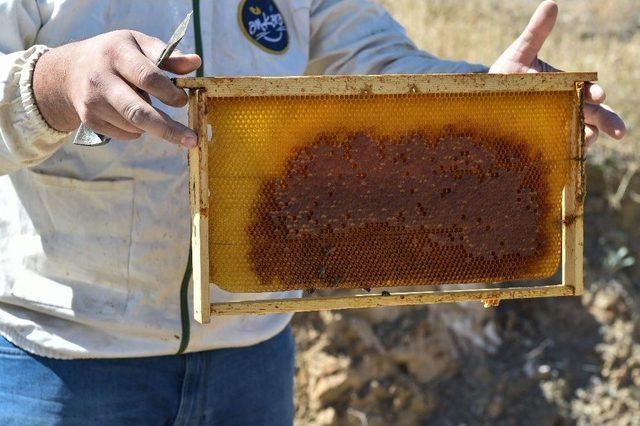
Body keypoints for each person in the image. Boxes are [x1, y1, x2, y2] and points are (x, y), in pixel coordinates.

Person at [0, 0, 626, 424]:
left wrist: (494, 102)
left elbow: (376, 66)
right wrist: (53, 82)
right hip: (61, 365)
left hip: (252, 354)